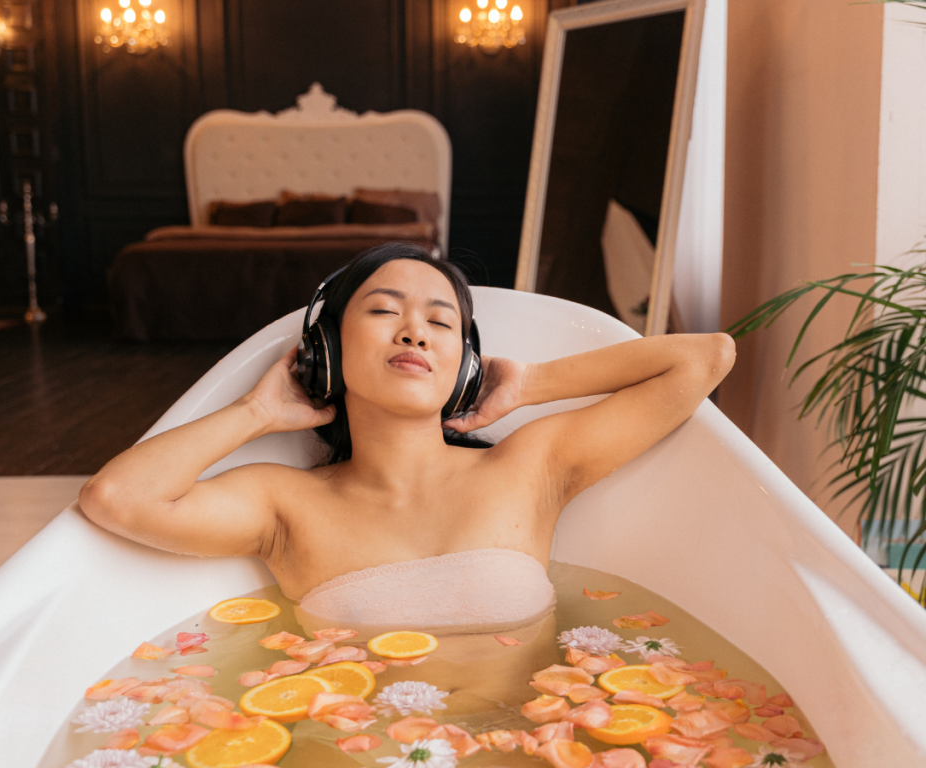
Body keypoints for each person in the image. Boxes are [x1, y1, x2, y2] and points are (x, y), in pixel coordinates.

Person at [78, 242, 735, 634]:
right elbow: (117, 498)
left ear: (466, 364)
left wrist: (530, 381)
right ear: (327, 351)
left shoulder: (529, 467)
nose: (414, 332)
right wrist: (258, 411)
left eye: (440, 322)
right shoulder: (284, 504)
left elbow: (703, 359)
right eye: (385, 311)